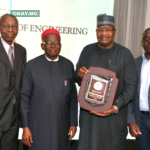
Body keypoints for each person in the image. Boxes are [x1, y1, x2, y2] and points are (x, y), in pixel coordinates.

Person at [74, 14, 137, 150]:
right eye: (100, 30)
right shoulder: (87, 50)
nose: (104, 33)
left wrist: (114, 107)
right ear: (96, 32)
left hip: (114, 118)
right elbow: (77, 77)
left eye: (108, 29)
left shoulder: (125, 54)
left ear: (114, 32)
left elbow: (131, 87)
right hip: (89, 118)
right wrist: (79, 75)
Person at [20, 28, 78, 150]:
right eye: (49, 43)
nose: (53, 46)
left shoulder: (68, 65)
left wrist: (73, 122)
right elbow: (24, 97)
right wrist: (25, 127)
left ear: (60, 45)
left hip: (62, 125)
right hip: (38, 126)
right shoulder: (31, 65)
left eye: (56, 43)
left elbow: (73, 97)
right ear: (42, 45)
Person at [0, 14, 26, 150]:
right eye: (6, 26)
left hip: (14, 117)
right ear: (0, 28)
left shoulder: (22, 51)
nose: (10, 29)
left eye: (14, 26)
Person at [128, 28, 150, 150]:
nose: (149, 41)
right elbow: (129, 94)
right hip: (140, 120)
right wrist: (131, 120)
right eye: (146, 38)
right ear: (142, 42)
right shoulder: (134, 64)